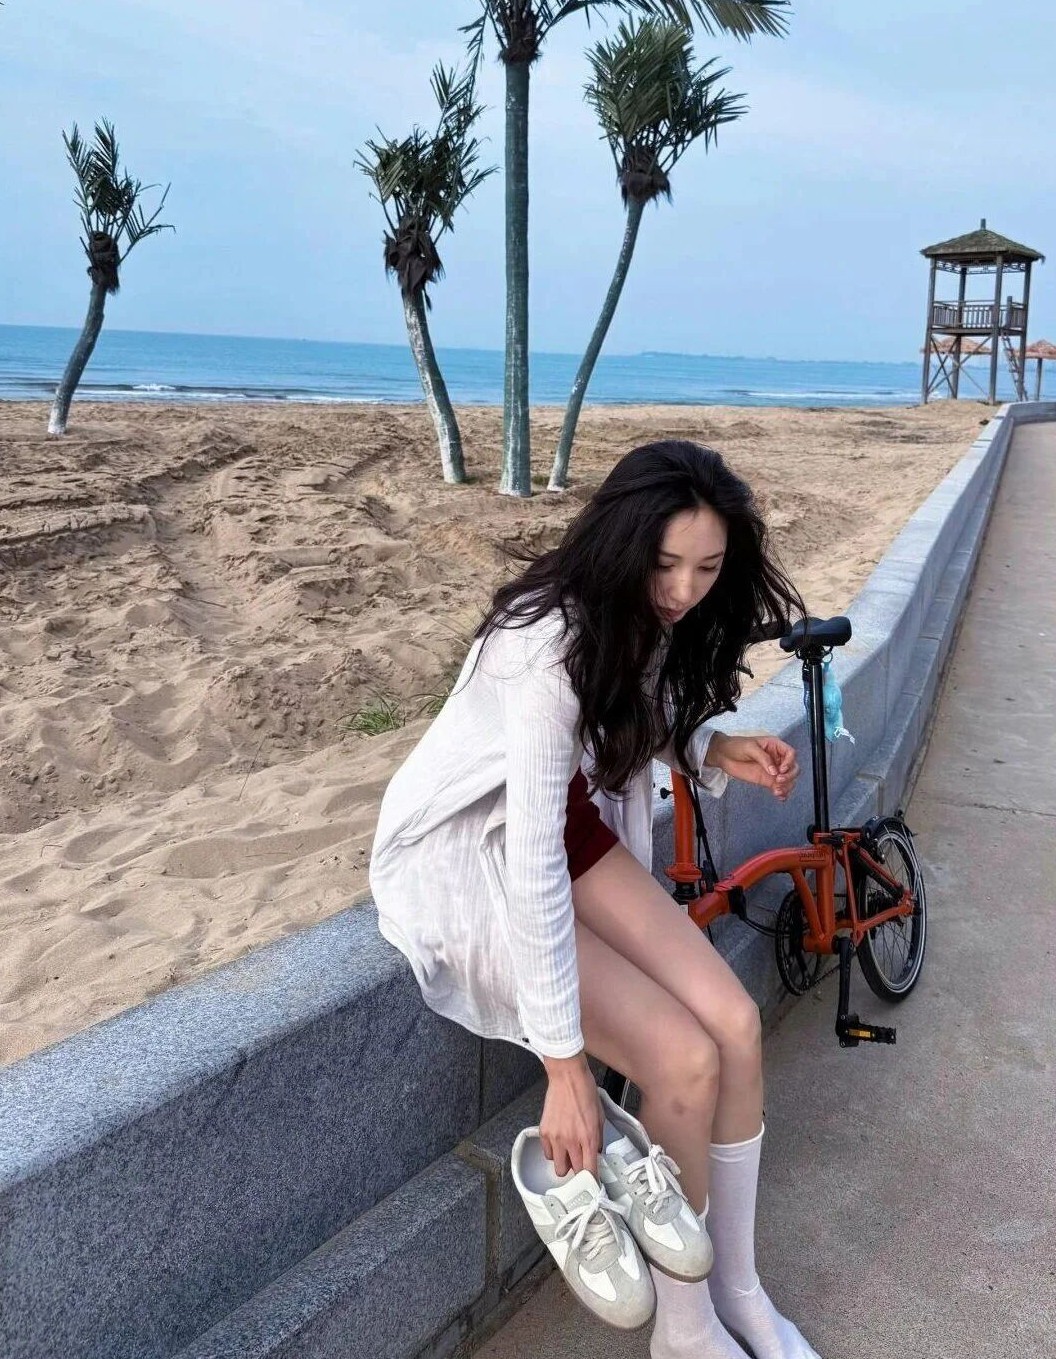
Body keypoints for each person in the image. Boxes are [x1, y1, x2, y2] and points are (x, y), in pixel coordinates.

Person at [369, 439, 820, 1359]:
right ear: (623, 541)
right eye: (666, 563)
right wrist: (566, 1069)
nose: (684, 590)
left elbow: (624, 716)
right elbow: (532, 857)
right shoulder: (543, 644)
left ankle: (738, 1288)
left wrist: (709, 747)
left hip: (565, 826)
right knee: (684, 1060)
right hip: (478, 852)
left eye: (708, 567)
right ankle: (686, 1332)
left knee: (736, 1023)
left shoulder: (634, 610)